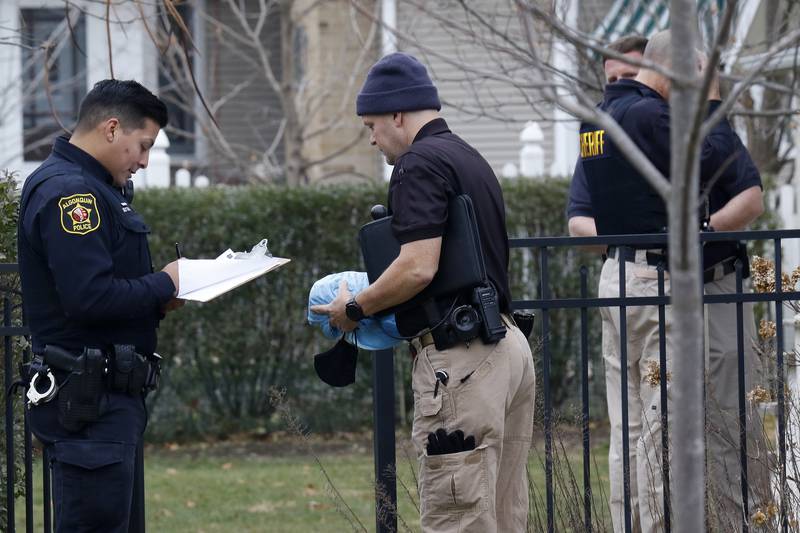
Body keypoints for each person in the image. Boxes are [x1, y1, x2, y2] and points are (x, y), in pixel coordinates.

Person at [311, 52, 536, 532]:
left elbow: (417, 267)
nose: (371, 138)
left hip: (462, 359)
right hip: (507, 347)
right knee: (503, 514)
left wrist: (355, 306)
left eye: (372, 125)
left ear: (397, 114)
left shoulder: (417, 163)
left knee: (457, 517)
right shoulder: (466, 155)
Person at [569, 30, 769, 532]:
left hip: (625, 278)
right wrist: (713, 98)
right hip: (656, 281)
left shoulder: (600, 119)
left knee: (632, 428)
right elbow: (720, 153)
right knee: (663, 429)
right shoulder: (650, 116)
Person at [18, 79, 182, 532]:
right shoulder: (72, 194)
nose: (145, 161)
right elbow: (88, 297)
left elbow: (103, 294)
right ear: (112, 129)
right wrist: (162, 284)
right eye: (142, 145)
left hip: (104, 402)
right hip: (88, 405)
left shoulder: (97, 188)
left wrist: (158, 302)